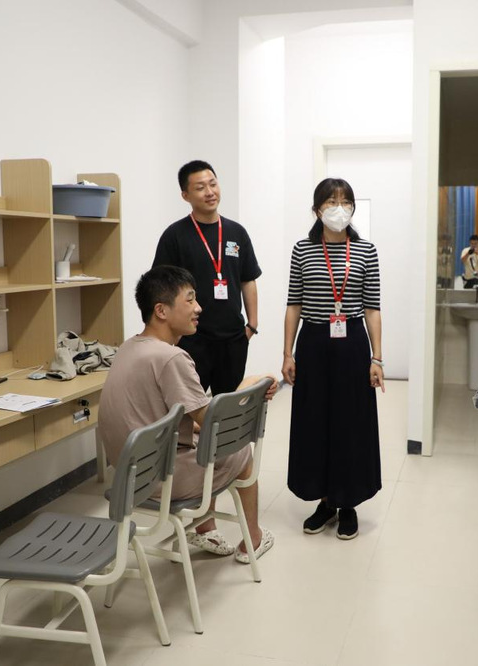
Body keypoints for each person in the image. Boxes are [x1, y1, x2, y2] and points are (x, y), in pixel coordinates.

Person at [99, 265, 278, 562]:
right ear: (161, 310)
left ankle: (206, 529)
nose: (199, 308)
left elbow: (162, 417)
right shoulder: (171, 358)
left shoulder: (130, 347)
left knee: (201, 440)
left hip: (127, 475)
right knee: (240, 452)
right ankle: (253, 540)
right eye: (190, 300)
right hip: (159, 479)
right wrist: (252, 386)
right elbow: (216, 422)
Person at [282, 178, 385, 540]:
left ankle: (348, 502)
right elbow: (294, 303)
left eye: (345, 201)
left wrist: (377, 358)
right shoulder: (302, 250)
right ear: (317, 210)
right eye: (331, 202)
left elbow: (372, 308)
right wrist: (287, 353)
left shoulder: (366, 251)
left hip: (352, 343)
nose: (339, 208)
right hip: (313, 341)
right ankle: (325, 500)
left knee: (350, 423)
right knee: (314, 422)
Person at [153, 160, 261, 395]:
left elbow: (248, 278)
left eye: (213, 184)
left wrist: (251, 325)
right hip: (191, 339)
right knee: (189, 404)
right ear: (185, 195)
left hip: (233, 339)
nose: (210, 192)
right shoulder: (175, 235)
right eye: (200, 187)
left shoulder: (236, 232)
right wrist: (171, 336)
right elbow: (160, 288)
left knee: (229, 405)